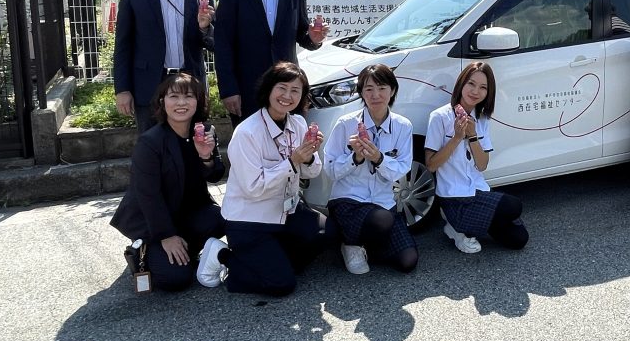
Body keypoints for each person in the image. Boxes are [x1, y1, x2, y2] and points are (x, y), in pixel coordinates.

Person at [197, 62, 328, 296]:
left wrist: (308, 157)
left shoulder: (297, 123)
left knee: (324, 233)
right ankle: (223, 255)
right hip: (249, 219)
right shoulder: (247, 132)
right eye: (282, 88)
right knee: (282, 285)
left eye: (295, 91)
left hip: (285, 211)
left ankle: (271, 260)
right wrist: (292, 161)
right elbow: (253, 189)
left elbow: (312, 172)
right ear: (268, 89)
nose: (287, 96)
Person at [110, 73, 225, 291]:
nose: (181, 103)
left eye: (189, 97)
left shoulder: (204, 132)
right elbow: (148, 195)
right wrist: (167, 235)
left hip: (189, 214)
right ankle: (145, 250)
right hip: (155, 221)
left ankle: (185, 250)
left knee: (221, 219)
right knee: (175, 279)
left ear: (198, 101)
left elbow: (214, 175)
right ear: (163, 102)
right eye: (174, 97)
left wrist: (206, 157)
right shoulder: (150, 142)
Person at [213, 0, 329, 125]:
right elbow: (223, 44)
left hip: (287, 88)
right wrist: (229, 90)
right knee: (250, 149)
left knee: (290, 146)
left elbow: (303, 35)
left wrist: (314, 39)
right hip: (247, 89)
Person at [113, 0, 215, 133]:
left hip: (190, 83)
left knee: (192, 144)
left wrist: (205, 27)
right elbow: (123, 45)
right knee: (151, 144)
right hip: (149, 84)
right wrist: (122, 90)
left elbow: (214, 45)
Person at [425, 62, 528, 254]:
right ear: (461, 83)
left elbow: (482, 165)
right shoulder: (439, 117)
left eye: (483, 88)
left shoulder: (482, 119)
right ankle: (456, 224)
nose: (475, 91)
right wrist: (456, 138)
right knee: (514, 206)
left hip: (478, 191)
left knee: (519, 239)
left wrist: (472, 136)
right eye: (471, 84)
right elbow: (431, 165)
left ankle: (466, 226)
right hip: (454, 196)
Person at [327, 64, 418, 275]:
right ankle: (350, 244)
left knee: (408, 261)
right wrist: (355, 158)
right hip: (349, 201)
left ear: (392, 90)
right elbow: (330, 171)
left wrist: (378, 158)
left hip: (382, 203)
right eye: (368, 89)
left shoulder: (403, 126)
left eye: (382, 88)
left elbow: (402, 169)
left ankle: (370, 246)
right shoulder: (345, 124)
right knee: (382, 221)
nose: (375, 95)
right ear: (361, 93)